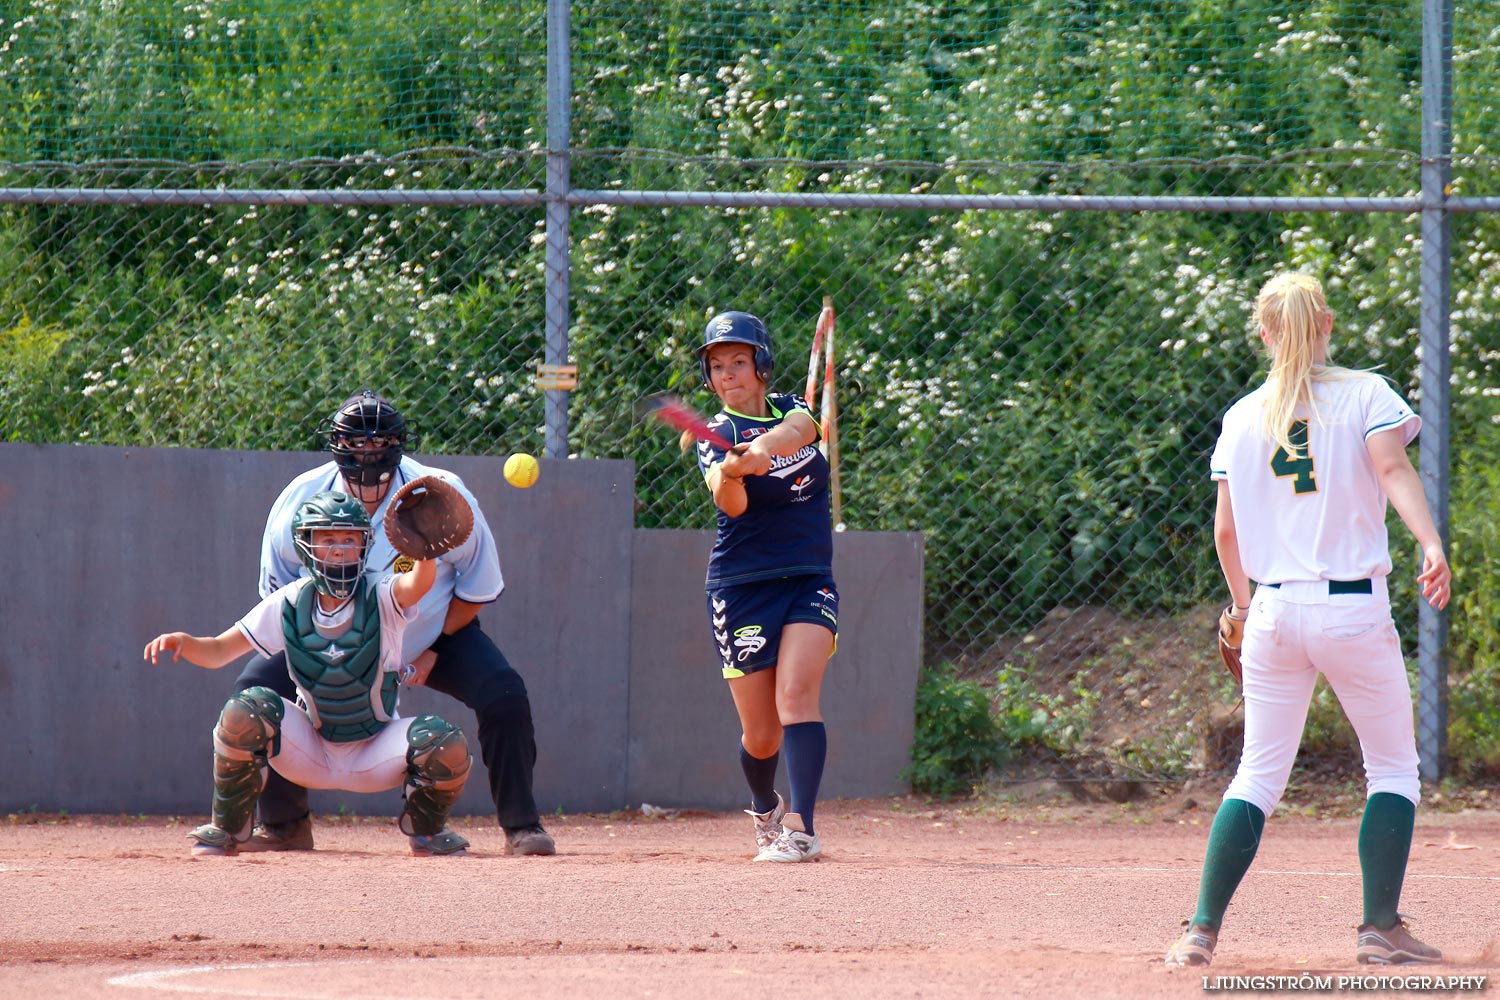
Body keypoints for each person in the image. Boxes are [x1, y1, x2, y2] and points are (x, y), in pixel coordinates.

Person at [1165, 272, 1452, 967]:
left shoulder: (1243, 416)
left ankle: (1201, 931)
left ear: (1265, 333)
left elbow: (1226, 534)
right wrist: (1431, 541)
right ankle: (1379, 928)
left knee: (1257, 774)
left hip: (1272, 609)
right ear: (1326, 322)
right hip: (1352, 606)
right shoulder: (1365, 393)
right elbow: (1391, 470)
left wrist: (1240, 604)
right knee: (1390, 768)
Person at [234, 390, 555, 856]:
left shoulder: (439, 491)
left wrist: (435, 650)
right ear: (337, 445)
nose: (368, 452)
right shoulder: (301, 499)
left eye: (379, 442)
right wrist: (313, 652)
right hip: (328, 639)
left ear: (398, 446)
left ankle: (522, 826)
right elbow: (281, 596)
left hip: (429, 632)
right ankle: (284, 826)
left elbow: (476, 587)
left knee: (503, 692)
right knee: (254, 696)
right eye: (356, 442)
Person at [145, 491, 472, 857]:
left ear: (365, 545)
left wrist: (425, 553)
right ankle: (228, 829)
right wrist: (186, 643)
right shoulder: (290, 600)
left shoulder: (380, 593)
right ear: (306, 545)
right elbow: (221, 650)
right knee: (246, 709)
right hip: (311, 749)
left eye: (349, 539)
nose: (338, 549)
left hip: (375, 751)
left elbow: (415, 586)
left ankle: (426, 833)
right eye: (327, 539)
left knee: (444, 742)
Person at [687, 310, 839, 862]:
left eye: (739, 362)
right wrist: (732, 472)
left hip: (808, 577)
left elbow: (803, 431)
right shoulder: (716, 439)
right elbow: (731, 505)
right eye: (718, 366)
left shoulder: (792, 411)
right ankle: (764, 806)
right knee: (762, 736)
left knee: (798, 695)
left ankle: (801, 828)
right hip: (742, 586)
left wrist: (763, 451)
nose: (729, 374)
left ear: (762, 365)